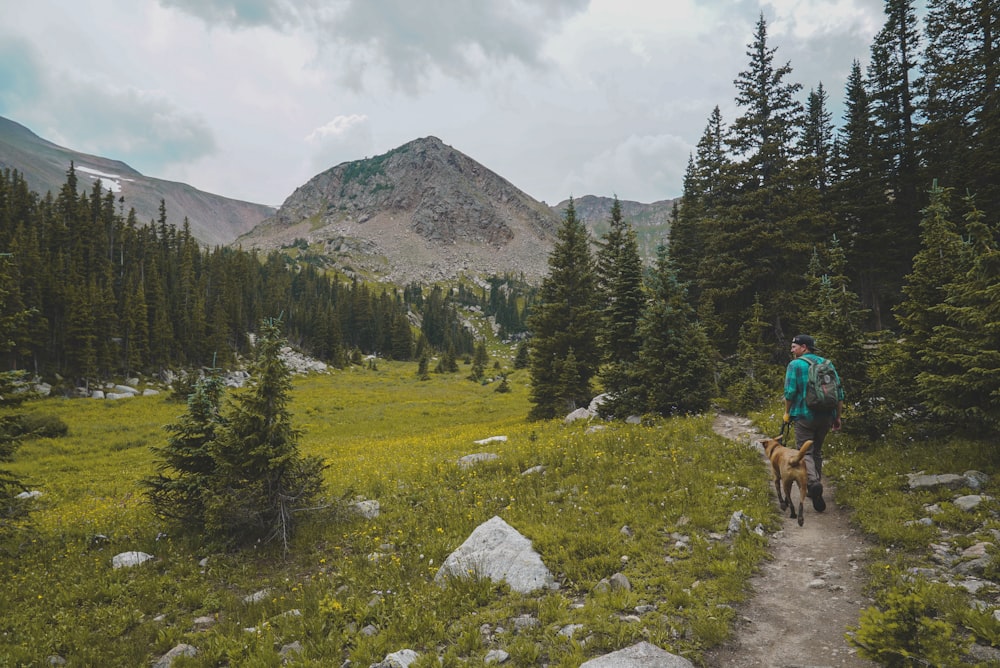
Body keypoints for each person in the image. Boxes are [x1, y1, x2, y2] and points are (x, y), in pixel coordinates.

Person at [783, 334, 844, 512]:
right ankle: (815, 482)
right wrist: (837, 417)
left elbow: (790, 392)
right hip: (826, 415)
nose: (792, 349)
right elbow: (839, 393)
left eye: (794, 346)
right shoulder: (827, 364)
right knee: (816, 451)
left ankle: (813, 483)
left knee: (805, 451)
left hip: (804, 415)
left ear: (804, 347)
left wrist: (787, 412)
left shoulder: (795, 365)